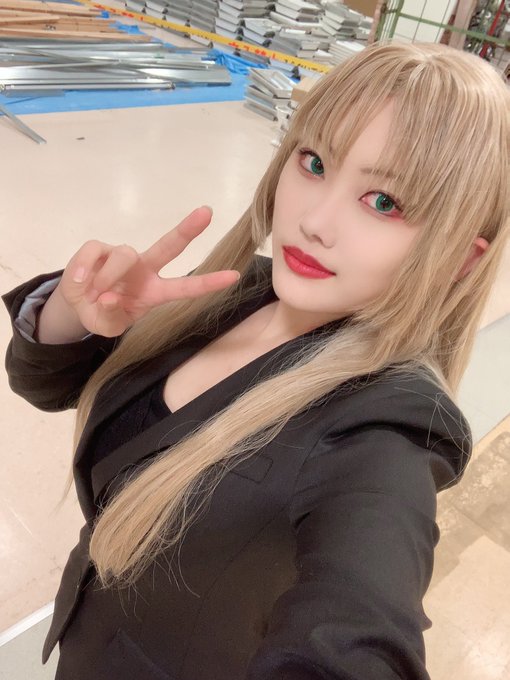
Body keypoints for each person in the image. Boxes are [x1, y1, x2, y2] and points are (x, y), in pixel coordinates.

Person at [2, 40, 509, 680]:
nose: (314, 220)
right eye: (315, 162)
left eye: (385, 202)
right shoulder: (242, 289)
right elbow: (44, 386)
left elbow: (358, 625)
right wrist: (75, 314)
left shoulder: (384, 434)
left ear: (459, 258)